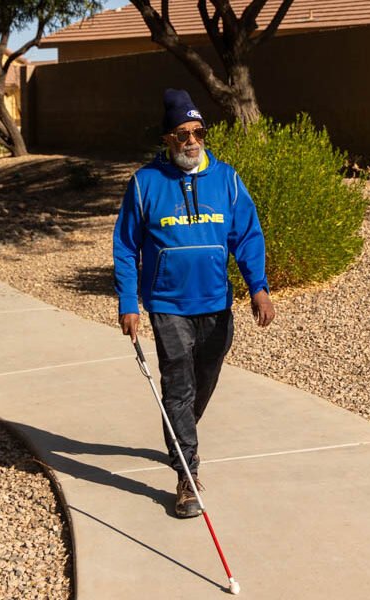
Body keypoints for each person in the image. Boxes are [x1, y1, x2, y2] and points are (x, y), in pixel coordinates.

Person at [113, 88, 275, 518]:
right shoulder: (145, 183)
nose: (191, 140)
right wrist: (128, 302)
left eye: (198, 132)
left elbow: (247, 236)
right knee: (178, 386)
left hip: (216, 302)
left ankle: (178, 430)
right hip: (166, 303)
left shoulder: (227, 180)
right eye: (182, 133)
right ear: (167, 138)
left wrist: (258, 287)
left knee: (205, 377)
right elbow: (127, 247)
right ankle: (187, 474)